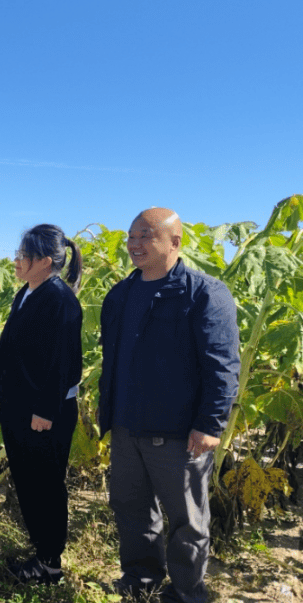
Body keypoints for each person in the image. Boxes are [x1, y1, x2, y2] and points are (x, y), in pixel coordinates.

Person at [99, 208, 240, 603]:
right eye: (131, 236)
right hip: (126, 425)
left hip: (178, 432)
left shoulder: (204, 293)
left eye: (145, 236)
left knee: (186, 520)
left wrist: (210, 424)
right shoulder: (120, 294)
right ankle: (140, 581)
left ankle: (185, 593)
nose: (134, 244)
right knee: (131, 508)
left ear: (174, 242)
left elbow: (222, 363)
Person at [0, 224, 83, 584]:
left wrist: (45, 411)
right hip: (20, 407)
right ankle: (41, 551)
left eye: (23, 255)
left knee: (45, 485)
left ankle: (49, 562)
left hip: (43, 413)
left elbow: (63, 363)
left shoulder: (60, 300)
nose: (16, 260)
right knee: (28, 481)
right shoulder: (28, 292)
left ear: (45, 261)